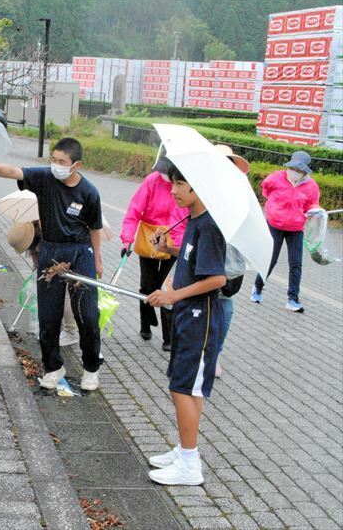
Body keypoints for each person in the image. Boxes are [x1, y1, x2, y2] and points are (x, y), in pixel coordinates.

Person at [0, 137, 103, 391]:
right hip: (51, 251)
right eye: (53, 160)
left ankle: (91, 368)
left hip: (81, 252)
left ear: (76, 165)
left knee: (87, 314)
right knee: (48, 316)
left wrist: (98, 260)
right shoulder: (45, 178)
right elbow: (15, 171)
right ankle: (53, 367)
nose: (56, 165)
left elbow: (95, 228)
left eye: (62, 162)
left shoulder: (89, 192)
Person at [146, 159, 227, 486]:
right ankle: (184, 450)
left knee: (183, 387)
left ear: (198, 186)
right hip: (188, 316)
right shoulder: (194, 220)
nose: (173, 190)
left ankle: (190, 465)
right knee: (183, 386)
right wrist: (169, 247)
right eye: (173, 183)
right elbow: (195, 259)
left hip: (200, 318)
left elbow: (217, 278)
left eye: (180, 184)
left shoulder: (208, 225)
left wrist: (172, 297)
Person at [120, 158, 189, 351]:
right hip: (149, 238)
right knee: (147, 285)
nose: (169, 181)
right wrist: (127, 238)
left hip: (174, 240)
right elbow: (134, 211)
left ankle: (169, 337)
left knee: (167, 288)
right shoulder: (152, 181)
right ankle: (145, 323)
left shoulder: (187, 187)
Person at [251, 151, 321, 313]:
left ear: (305, 171)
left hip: (296, 228)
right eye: (293, 168)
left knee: (296, 264)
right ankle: (257, 287)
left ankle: (292, 299)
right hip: (275, 224)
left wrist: (315, 211)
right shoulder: (276, 177)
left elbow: (312, 203)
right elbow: (265, 190)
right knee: (271, 259)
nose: (295, 172)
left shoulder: (311, 186)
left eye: (299, 170)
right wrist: (274, 208)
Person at [213, 145, 251, 378]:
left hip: (229, 258)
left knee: (225, 305)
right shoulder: (199, 190)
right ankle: (199, 354)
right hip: (205, 252)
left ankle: (214, 353)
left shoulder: (238, 193)